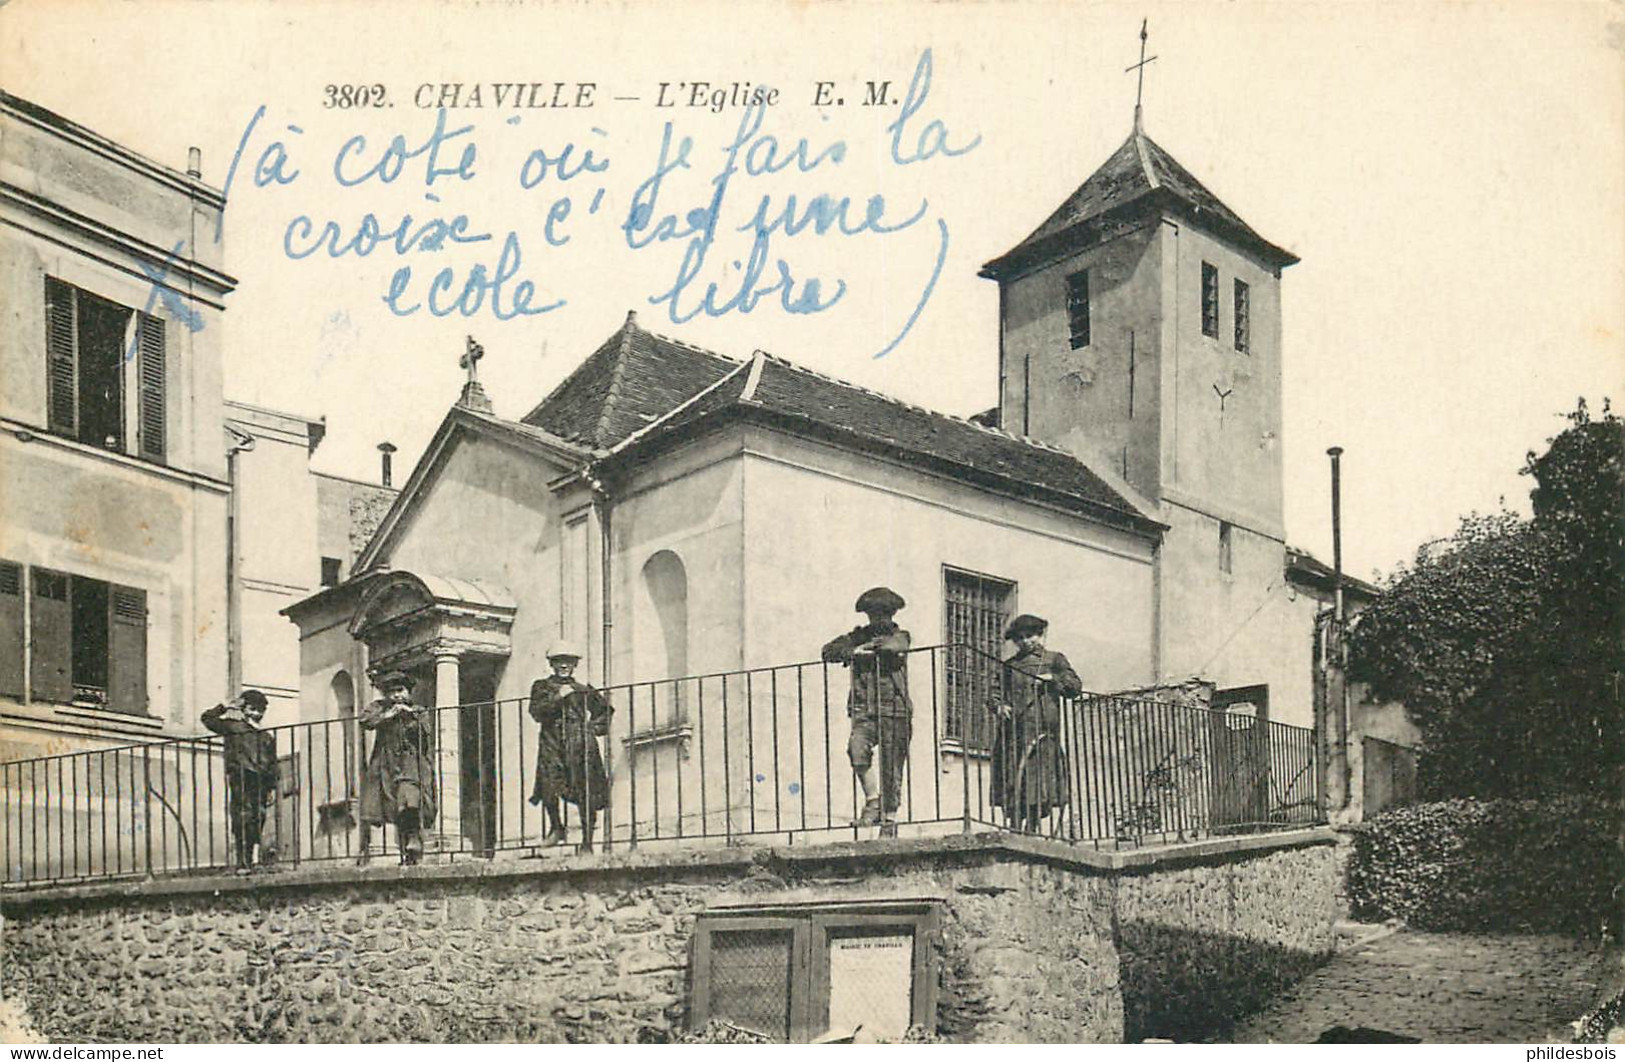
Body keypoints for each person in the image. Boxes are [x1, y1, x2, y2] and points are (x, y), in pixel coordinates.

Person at [821, 587, 913, 836]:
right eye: (873, 614)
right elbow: (828, 651)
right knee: (857, 750)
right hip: (864, 708)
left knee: (892, 767)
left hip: (894, 709)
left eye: (883, 614)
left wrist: (863, 650)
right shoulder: (856, 637)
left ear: (892, 614)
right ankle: (873, 801)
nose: (878, 619)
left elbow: (892, 647)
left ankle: (889, 820)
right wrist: (852, 651)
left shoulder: (901, 635)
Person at [990, 614, 1082, 833]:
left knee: (1037, 781)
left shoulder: (1054, 660)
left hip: (1042, 731)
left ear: (1040, 635)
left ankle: (1032, 826)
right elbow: (995, 692)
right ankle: (1014, 825)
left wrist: (1055, 680)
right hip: (1014, 732)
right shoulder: (1010, 665)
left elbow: (1075, 687)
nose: (1025, 641)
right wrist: (1000, 706)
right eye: (1020, 638)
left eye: (1030, 636)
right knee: (1012, 778)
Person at [528, 643, 613, 853]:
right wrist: (558, 697)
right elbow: (536, 712)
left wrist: (593, 728)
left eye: (568, 661)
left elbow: (605, 711)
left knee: (586, 789)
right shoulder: (542, 686)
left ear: (574, 664)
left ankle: (587, 842)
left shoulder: (583, 689)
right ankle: (556, 828)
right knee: (548, 783)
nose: (564, 665)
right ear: (552, 664)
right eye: (559, 661)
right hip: (552, 738)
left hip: (579, 742)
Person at [358, 670, 438, 865]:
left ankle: (413, 840)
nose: (397, 695)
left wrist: (411, 719)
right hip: (385, 765)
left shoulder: (418, 711)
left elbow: (424, 734)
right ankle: (405, 852)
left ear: (408, 692)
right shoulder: (379, 707)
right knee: (391, 807)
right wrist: (388, 715)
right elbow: (365, 721)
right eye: (392, 691)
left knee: (409, 798)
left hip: (411, 764)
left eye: (400, 690)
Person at [201, 690, 278, 869]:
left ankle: (254, 859)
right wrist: (224, 707)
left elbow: (272, 763)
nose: (258, 713)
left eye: (261, 709)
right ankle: (243, 861)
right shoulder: (233, 727)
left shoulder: (267, 737)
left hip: (261, 781)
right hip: (241, 776)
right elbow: (207, 719)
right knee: (242, 817)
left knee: (258, 817)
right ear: (245, 709)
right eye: (254, 708)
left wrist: (271, 787)